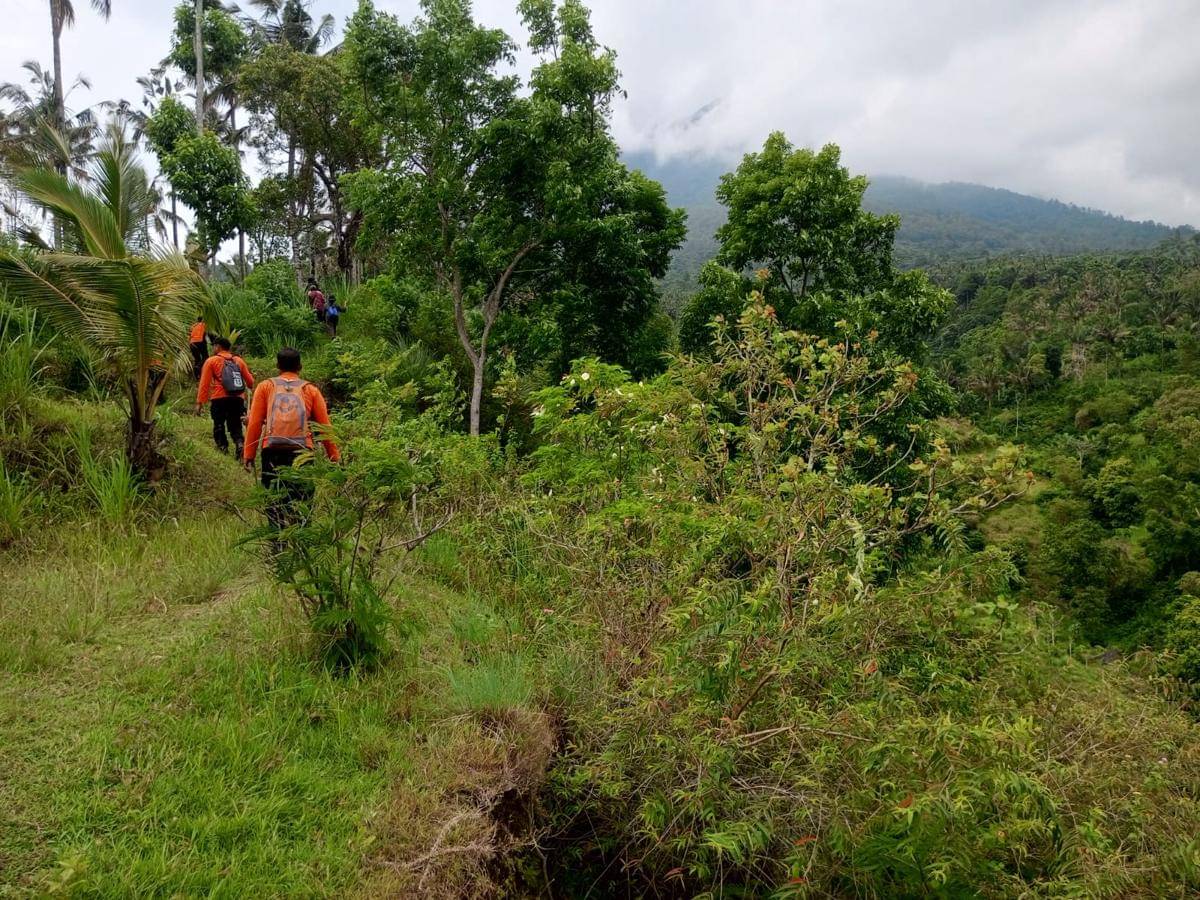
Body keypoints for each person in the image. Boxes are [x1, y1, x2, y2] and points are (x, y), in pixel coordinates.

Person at [242, 347, 340, 530]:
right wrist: (334, 457)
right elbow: (326, 427)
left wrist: (248, 454)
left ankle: (277, 544)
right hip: (302, 452)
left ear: (277, 365)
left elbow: (255, 422)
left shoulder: (266, 387)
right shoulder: (310, 390)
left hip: (271, 451)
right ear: (300, 366)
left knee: (273, 499)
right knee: (303, 501)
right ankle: (301, 544)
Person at [196, 336, 255, 457]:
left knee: (219, 423)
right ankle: (239, 443)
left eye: (213, 346)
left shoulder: (211, 361)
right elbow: (250, 382)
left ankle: (222, 447)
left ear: (218, 347)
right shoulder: (238, 360)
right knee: (235, 424)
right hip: (237, 398)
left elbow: (204, 384)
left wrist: (200, 403)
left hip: (219, 398)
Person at [189, 317, 208, 381]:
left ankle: (197, 376)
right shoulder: (204, 325)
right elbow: (206, 334)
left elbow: (190, 334)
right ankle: (198, 367)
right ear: (202, 320)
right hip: (200, 342)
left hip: (192, 343)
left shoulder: (193, 326)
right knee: (205, 357)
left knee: (197, 359)